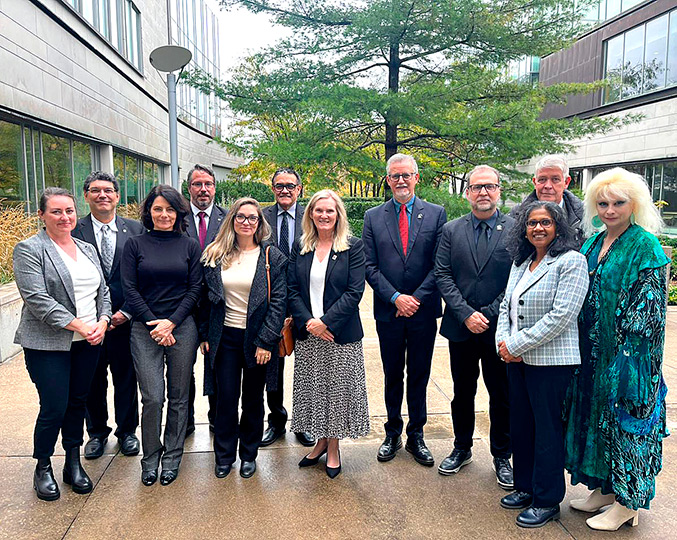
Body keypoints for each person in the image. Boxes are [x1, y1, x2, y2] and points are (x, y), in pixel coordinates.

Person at [564, 168, 670, 531]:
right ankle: (605, 489)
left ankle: (628, 504)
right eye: (603, 203)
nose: (610, 210)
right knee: (595, 421)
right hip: (592, 355)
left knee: (628, 428)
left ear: (634, 204)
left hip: (629, 360)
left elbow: (650, 312)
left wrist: (627, 357)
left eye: (618, 203)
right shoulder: (593, 242)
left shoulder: (646, 247)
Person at [13, 187, 111, 501]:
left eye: (69, 210)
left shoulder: (86, 247)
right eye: (56, 211)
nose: (64, 217)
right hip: (48, 344)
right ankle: (42, 465)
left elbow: (103, 292)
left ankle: (72, 462)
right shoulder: (30, 249)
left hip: (89, 341)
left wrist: (103, 321)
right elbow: (37, 300)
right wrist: (80, 324)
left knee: (77, 403)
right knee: (54, 405)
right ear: (42, 215)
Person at [495, 201, 588, 528]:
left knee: (547, 430)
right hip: (516, 360)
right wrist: (503, 344)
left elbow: (562, 316)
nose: (538, 228)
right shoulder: (521, 262)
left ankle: (547, 499)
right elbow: (506, 305)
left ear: (558, 226)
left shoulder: (571, 262)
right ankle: (525, 487)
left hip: (550, 363)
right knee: (521, 425)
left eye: (545, 222)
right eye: (532, 223)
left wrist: (517, 345)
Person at [363, 154, 446, 467]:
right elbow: (370, 266)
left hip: (423, 313)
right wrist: (396, 297)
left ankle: (417, 435)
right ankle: (392, 432)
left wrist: (415, 299)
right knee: (392, 374)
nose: (400, 181)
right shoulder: (373, 217)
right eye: (395, 176)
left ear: (416, 178)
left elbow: (440, 264)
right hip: (389, 311)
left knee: (419, 375)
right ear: (388, 180)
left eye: (406, 175)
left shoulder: (436, 215)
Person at [434, 165, 514, 486]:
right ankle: (461, 447)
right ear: (467, 192)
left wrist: (490, 313)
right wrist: (466, 313)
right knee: (462, 392)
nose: (483, 192)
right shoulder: (452, 230)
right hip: (461, 327)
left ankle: (501, 455)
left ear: (499, 192)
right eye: (477, 187)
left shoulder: (514, 228)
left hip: (499, 330)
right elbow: (442, 274)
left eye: (490, 186)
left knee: (501, 393)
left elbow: (517, 277)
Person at [199, 198, 287, 479]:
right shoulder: (215, 254)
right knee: (225, 398)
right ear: (232, 220)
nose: (246, 222)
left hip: (257, 339)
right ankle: (224, 456)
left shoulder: (272, 258)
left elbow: (278, 303)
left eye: (253, 218)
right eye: (241, 217)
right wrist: (204, 334)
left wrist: (266, 341)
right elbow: (204, 301)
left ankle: (248, 454)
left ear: (260, 223)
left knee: (252, 400)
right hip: (224, 337)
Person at [121, 185, 202, 487]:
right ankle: (150, 458)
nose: (164, 214)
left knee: (179, 397)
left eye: (169, 209)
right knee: (152, 397)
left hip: (182, 328)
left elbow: (195, 289)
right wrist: (156, 324)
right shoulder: (135, 245)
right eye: (158, 209)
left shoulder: (190, 245)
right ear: (149, 212)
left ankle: (172, 458)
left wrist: (172, 322)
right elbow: (130, 289)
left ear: (178, 212)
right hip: (145, 329)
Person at [288, 189, 369, 478]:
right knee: (314, 391)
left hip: (339, 335)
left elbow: (354, 291)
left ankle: (333, 448)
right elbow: (292, 289)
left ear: (338, 215)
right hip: (309, 335)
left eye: (330, 211)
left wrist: (326, 323)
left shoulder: (352, 247)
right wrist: (309, 321)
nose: (324, 215)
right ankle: (320, 441)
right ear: (310, 213)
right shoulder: (301, 246)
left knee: (336, 393)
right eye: (318, 210)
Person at [72, 171, 144, 460]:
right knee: (92, 379)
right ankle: (97, 433)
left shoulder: (136, 230)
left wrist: (126, 311)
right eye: (95, 190)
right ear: (86, 195)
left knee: (126, 378)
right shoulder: (73, 231)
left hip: (126, 319)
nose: (102, 195)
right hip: (87, 322)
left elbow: (144, 275)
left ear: (117, 196)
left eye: (108, 190)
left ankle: (127, 432)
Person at [260, 168, 314, 448]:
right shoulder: (261, 218)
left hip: (305, 303)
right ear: (273, 189)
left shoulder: (312, 216)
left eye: (290, 186)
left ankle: (304, 423)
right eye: (279, 186)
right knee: (273, 367)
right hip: (270, 302)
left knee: (307, 367)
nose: (285, 190)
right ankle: (277, 421)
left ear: (300, 189)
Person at [183, 164, 228, 436]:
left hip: (216, 306)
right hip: (183, 306)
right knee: (182, 368)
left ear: (214, 187)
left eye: (208, 184)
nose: (203, 189)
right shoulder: (177, 218)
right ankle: (185, 421)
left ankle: (216, 417)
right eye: (198, 184)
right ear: (189, 187)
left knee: (216, 366)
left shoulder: (227, 218)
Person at [510, 155, 584, 235]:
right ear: (535, 182)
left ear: (566, 182)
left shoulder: (583, 215)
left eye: (555, 179)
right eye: (542, 179)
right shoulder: (517, 215)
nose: (548, 186)